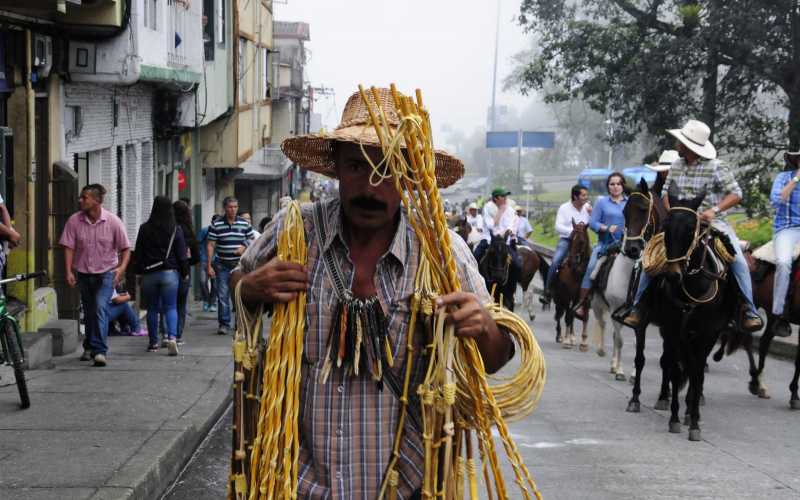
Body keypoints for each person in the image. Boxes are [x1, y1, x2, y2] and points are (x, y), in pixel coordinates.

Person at [230, 87, 513, 499]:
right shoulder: (294, 233)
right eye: (357, 167)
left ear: (412, 176)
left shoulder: (441, 254)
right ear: (337, 170)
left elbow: (495, 358)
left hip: (406, 485)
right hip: (297, 483)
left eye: (389, 168)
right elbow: (236, 285)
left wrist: (483, 326)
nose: (372, 187)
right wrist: (250, 290)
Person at [622, 119, 763, 332]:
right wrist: (674, 213)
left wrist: (713, 211)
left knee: (738, 261)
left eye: (680, 142)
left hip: (713, 223)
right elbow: (666, 193)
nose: (677, 145)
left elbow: (736, 194)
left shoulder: (717, 167)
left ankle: (748, 310)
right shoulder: (677, 165)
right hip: (679, 224)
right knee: (651, 259)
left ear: (689, 146)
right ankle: (638, 307)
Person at [59, 184, 131, 367]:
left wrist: (121, 268)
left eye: (85, 197)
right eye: (81, 197)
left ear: (97, 201)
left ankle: (100, 351)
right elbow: (68, 247)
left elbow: (125, 248)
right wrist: (68, 271)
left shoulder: (113, 222)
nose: (80, 200)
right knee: (90, 311)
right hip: (83, 273)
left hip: (106, 274)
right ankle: (89, 346)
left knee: (100, 307)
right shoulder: (74, 221)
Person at [134, 196, 188, 355]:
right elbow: (182, 255)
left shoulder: (144, 228)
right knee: (171, 307)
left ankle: (153, 343)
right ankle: (172, 337)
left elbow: (138, 253)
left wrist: (138, 272)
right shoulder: (176, 229)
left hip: (149, 274)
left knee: (152, 309)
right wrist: (184, 273)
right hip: (170, 274)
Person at [573, 172, 627, 321]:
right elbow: (593, 223)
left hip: (626, 246)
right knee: (591, 268)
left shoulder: (629, 202)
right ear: (608, 187)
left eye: (618, 184)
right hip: (605, 245)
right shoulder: (602, 202)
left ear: (623, 186)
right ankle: (582, 306)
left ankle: (636, 306)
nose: (615, 187)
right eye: (612, 184)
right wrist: (605, 228)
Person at [206, 197, 254, 335]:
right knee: (222, 295)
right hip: (222, 265)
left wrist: (244, 246)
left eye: (235, 207)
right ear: (224, 208)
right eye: (230, 207)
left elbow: (252, 239)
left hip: (240, 265)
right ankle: (224, 323)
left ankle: (240, 322)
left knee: (239, 295)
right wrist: (208, 265)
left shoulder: (244, 224)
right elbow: (210, 244)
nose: (233, 210)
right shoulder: (216, 224)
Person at [540, 185, 592, 304]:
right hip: (567, 240)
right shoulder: (564, 208)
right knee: (556, 261)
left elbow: (592, 223)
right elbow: (558, 226)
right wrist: (573, 232)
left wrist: (592, 213)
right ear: (575, 196)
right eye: (583, 195)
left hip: (583, 241)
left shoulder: (587, 208)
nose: (586, 197)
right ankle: (547, 291)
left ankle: (590, 292)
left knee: (593, 261)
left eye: (586, 195)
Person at [768, 150, 800, 337]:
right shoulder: (783, 177)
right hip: (786, 229)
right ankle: (779, 314)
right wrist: (796, 180)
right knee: (783, 263)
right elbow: (776, 200)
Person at [173, 200, 200, 345]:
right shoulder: (188, 230)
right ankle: (177, 334)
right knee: (180, 304)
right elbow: (195, 256)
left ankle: (166, 333)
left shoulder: (169, 228)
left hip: (168, 269)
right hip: (184, 271)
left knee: (167, 304)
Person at [473, 187, 518, 263]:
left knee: (518, 265)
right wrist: (500, 211)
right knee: (475, 258)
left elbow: (511, 225)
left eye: (506, 196)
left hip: (505, 241)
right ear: (496, 198)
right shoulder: (488, 207)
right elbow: (491, 225)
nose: (505, 198)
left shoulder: (509, 209)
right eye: (503, 196)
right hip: (489, 240)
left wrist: (508, 231)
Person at [197, 215, 220, 312]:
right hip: (203, 260)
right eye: (215, 222)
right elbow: (197, 243)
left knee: (215, 284)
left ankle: (213, 302)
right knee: (203, 282)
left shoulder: (221, 232)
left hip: (217, 260)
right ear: (212, 222)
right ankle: (206, 300)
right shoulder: (204, 230)